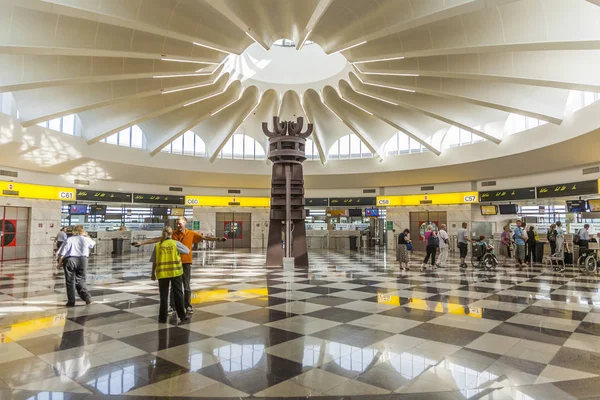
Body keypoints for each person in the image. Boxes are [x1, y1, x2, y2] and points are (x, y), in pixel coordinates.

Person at [136, 217, 226, 314]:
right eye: (177, 224)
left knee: (186, 286)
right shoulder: (172, 233)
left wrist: (218, 239)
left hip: (186, 263)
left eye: (180, 223)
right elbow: (157, 239)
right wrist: (141, 243)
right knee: (174, 287)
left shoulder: (191, 234)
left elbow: (205, 238)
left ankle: (188, 306)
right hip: (175, 264)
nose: (178, 225)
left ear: (185, 223)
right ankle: (172, 306)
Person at [150, 226, 190, 324]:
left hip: (162, 273)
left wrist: (152, 274)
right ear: (172, 234)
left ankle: (162, 318)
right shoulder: (175, 243)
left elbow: (154, 261)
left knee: (163, 297)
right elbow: (187, 251)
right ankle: (182, 316)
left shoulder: (158, 245)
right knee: (178, 294)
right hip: (175, 272)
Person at [56, 225, 95, 307]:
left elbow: (62, 253)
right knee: (81, 279)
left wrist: (59, 263)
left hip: (70, 260)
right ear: (83, 231)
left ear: (73, 231)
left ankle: (71, 301)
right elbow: (92, 244)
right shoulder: (86, 239)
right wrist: (86, 236)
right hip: (83, 260)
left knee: (70, 281)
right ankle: (87, 296)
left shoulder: (69, 239)